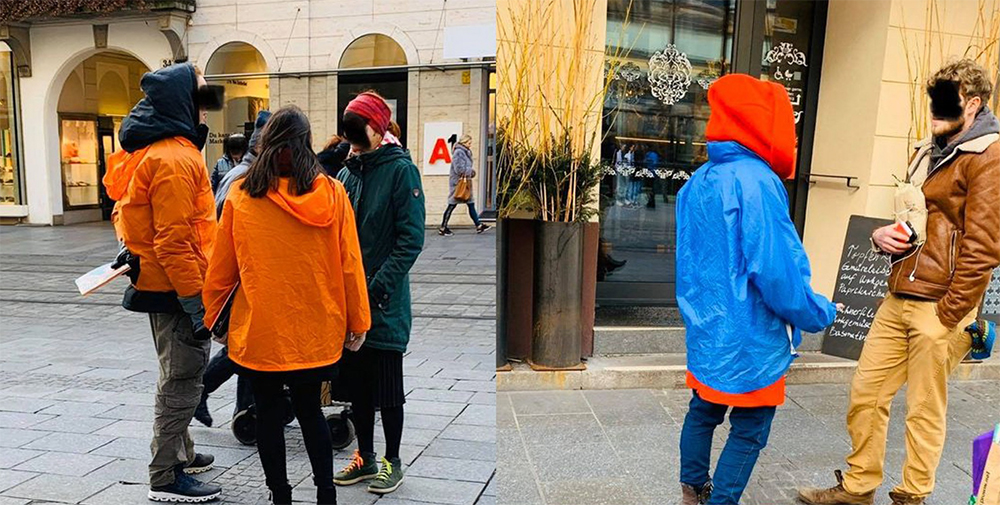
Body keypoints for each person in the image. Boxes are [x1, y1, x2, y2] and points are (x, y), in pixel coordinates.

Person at [798, 60, 1000, 505]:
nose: (935, 109)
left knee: (923, 407)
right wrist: (881, 239)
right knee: (866, 392)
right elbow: (918, 224)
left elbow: (985, 246)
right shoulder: (929, 151)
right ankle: (858, 487)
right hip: (901, 292)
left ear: (973, 104)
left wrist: (949, 314)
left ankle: (912, 495)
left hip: (943, 303)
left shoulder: (990, 155)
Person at [675, 74, 837, 505]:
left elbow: (689, 260)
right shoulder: (758, 182)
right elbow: (778, 272)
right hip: (751, 335)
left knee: (703, 410)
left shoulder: (700, 179)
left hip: (708, 326)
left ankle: (692, 490)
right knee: (750, 428)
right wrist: (818, 312)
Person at [203, 105, 371, 505]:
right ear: (306, 143)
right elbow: (350, 262)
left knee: (267, 411)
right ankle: (326, 494)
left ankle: (280, 496)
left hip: (261, 327)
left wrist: (215, 318)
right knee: (310, 410)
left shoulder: (243, 195)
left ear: (266, 142)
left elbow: (221, 266)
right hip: (315, 328)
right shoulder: (332, 194)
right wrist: (358, 320)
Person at [101, 62, 224, 503]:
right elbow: (175, 241)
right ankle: (166, 474)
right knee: (182, 379)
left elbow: (134, 219)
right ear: (183, 103)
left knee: (176, 373)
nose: (209, 106)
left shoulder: (156, 150)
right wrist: (196, 302)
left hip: (159, 283)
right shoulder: (176, 158)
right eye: (204, 97)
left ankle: (182, 452)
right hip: (177, 288)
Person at [333, 91, 425, 495]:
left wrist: (374, 288)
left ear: (377, 128)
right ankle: (365, 457)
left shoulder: (402, 171)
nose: (352, 140)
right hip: (350, 301)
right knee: (358, 390)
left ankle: (392, 461)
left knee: (387, 390)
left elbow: (411, 239)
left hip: (384, 302)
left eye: (359, 131)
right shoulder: (347, 174)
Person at [194, 110, 273, 432]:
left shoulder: (253, 174)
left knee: (248, 344)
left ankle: (245, 409)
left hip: (249, 274)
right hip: (241, 275)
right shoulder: (243, 178)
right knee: (243, 346)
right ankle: (210, 394)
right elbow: (224, 229)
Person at [439, 134, 491, 236]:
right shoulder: (459, 152)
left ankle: (478, 225)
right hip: (459, 183)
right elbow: (459, 169)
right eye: (469, 143)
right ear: (464, 142)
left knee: (471, 204)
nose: (470, 145)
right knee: (452, 204)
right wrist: (471, 172)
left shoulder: (465, 151)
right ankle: (443, 227)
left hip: (465, 182)